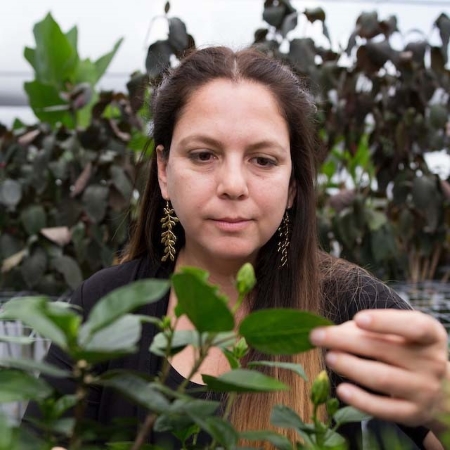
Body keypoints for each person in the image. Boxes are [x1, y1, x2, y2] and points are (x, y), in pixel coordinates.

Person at [25, 46, 449, 449]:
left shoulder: (350, 310)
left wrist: (442, 403)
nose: (232, 185)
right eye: (204, 155)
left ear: (292, 188)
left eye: (262, 160)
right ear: (164, 171)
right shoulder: (104, 307)